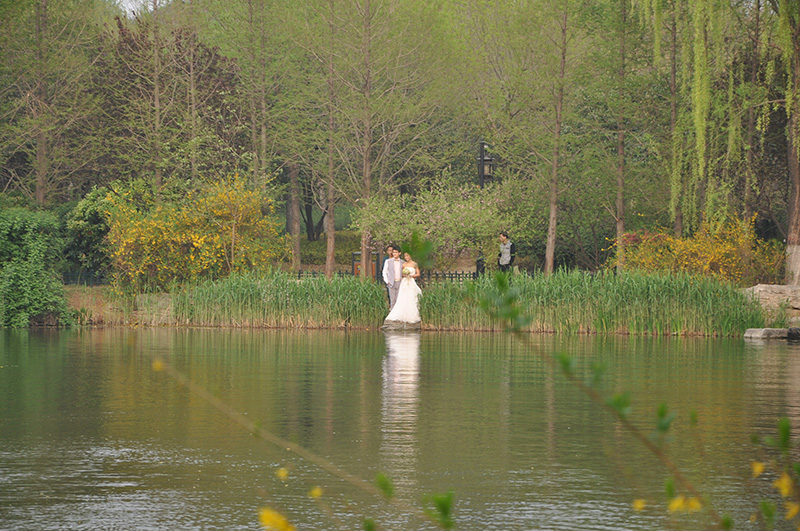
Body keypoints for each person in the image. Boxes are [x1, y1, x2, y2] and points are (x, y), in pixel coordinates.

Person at [384, 252, 422, 326]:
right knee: (403, 296)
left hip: (411, 280)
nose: (406, 257)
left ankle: (412, 313)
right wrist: (404, 274)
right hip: (404, 281)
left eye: (407, 256)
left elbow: (418, 274)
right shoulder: (404, 264)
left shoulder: (414, 264)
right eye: (405, 256)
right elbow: (400, 273)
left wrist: (412, 275)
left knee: (412, 296)